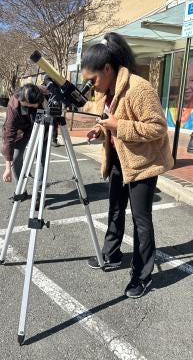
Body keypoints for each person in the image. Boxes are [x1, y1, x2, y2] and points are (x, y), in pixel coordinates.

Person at [81, 32, 174, 298]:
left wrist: (118, 126)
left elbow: (158, 128)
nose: (92, 86)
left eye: (93, 79)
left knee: (141, 220)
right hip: (118, 159)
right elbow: (107, 121)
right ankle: (111, 254)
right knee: (115, 208)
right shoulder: (104, 92)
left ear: (108, 69)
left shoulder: (138, 87)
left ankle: (142, 275)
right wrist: (100, 131)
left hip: (143, 163)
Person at [2, 83, 49, 207]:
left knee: (41, 160)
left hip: (42, 128)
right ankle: (21, 189)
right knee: (16, 157)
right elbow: (8, 135)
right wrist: (7, 167)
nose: (28, 108)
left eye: (32, 106)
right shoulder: (14, 104)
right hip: (21, 130)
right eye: (25, 106)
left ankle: (38, 194)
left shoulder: (46, 96)